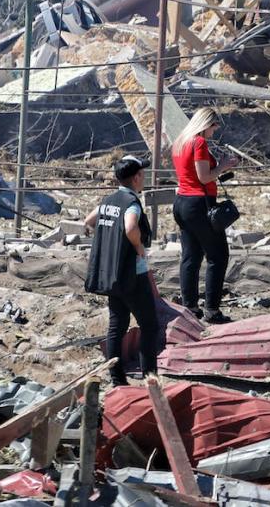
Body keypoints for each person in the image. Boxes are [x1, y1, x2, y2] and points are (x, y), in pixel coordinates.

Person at [83, 155, 158, 386]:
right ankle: (150, 380)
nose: (143, 177)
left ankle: (117, 379)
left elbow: (89, 219)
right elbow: (130, 227)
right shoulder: (132, 203)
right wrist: (137, 245)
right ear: (136, 178)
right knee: (150, 325)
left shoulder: (108, 200)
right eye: (142, 174)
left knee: (117, 325)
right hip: (132, 275)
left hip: (113, 275)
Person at [171, 108, 239, 324]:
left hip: (182, 202)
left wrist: (217, 168)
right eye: (214, 124)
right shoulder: (199, 143)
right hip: (199, 203)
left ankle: (189, 306)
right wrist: (223, 166)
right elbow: (204, 177)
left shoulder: (180, 141)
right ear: (206, 123)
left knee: (190, 256)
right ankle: (212, 310)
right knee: (218, 256)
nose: (216, 129)